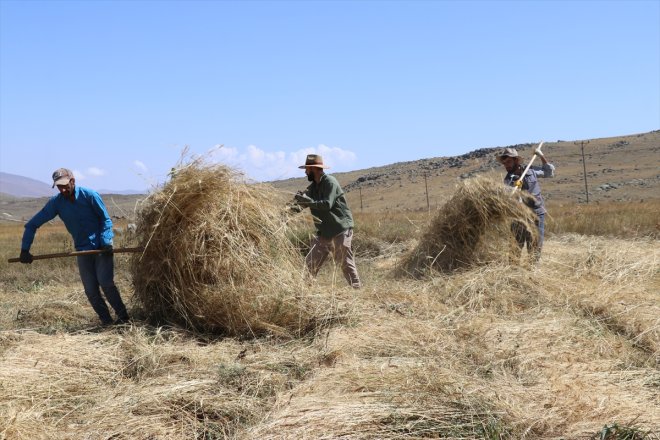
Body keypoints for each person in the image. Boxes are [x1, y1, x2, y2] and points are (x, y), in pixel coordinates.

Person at [19, 168, 130, 326]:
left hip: (101, 247)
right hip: (82, 250)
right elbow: (32, 225)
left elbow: (105, 220)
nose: (63, 189)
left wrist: (106, 241)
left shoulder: (90, 195)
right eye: (59, 186)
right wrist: (25, 250)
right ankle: (107, 322)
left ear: (73, 181)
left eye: (65, 185)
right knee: (91, 290)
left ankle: (124, 319)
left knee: (106, 282)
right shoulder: (56, 203)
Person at [293, 154, 362, 289]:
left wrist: (308, 201)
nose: (306, 172)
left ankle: (357, 291)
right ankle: (305, 292)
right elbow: (300, 205)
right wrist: (282, 214)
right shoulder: (313, 187)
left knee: (344, 263)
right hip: (324, 231)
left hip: (340, 228)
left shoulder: (330, 182)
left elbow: (327, 204)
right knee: (310, 263)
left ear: (315, 169)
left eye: (307, 169)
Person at [496, 147, 555, 262]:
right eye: (504, 163)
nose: (506, 165)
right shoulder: (508, 180)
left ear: (516, 161)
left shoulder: (531, 171)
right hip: (518, 217)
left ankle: (532, 272)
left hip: (537, 214)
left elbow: (549, 173)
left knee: (535, 245)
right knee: (515, 247)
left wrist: (541, 156)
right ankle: (513, 272)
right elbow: (509, 197)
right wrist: (515, 188)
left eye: (508, 162)